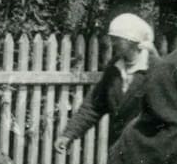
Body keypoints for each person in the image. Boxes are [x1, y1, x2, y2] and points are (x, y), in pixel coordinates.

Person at [56, 13, 157, 156]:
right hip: (118, 149)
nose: (113, 43)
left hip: (149, 152)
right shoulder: (114, 69)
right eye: (113, 39)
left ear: (133, 41)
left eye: (118, 40)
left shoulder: (155, 69)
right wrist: (69, 134)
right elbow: (93, 105)